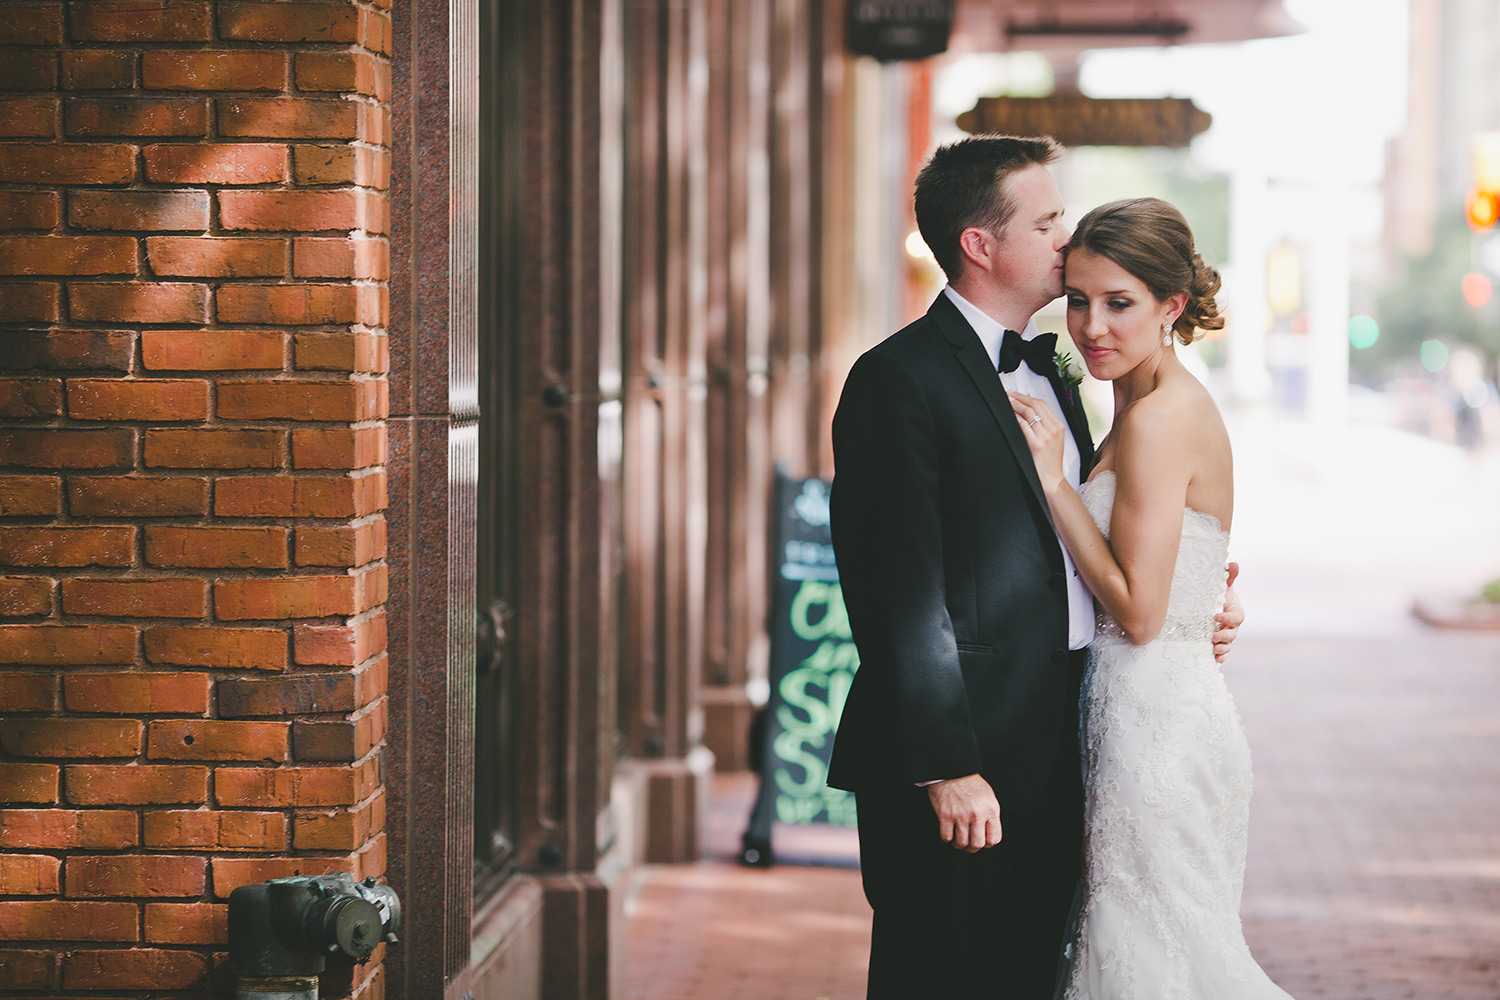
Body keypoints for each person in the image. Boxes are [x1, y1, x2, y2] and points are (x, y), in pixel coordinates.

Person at [826, 136, 1243, 999]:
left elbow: (1086, 546)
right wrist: (946, 767)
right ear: (981, 245)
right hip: (963, 760)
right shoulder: (894, 380)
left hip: (1069, 746)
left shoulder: (1059, 364)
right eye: (1047, 222)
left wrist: (1197, 609)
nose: (1066, 237)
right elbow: (893, 591)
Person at [1008, 197, 1292, 999]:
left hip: (1158, 731)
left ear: (1171, 306)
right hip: (1140, 707)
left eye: (1119, 303)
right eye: (1079, 299)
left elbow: (1137, 612)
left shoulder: (1162, 417)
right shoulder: (1136, 400)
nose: (1092, 325)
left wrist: (1055, 483)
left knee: (1156, 954)